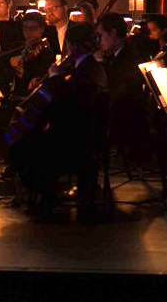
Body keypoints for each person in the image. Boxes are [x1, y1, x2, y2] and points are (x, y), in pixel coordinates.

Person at [8, 21, 107, 213]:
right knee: (25, 136)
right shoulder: (92, 66)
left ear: (72, 45)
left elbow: (67, 102)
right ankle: (42, 191)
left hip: (75, 139)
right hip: (87, 133)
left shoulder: (84, 69)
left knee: (18, 143)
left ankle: (44, 192)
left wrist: (54, 77)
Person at [95, 13, 150, 163]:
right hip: (117, 107)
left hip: (124, 114)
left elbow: (116, 89)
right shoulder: (116, 54)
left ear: (112, 33)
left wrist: (99, 62)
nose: (98, 41)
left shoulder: (130, 56)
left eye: (101, 35)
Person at [9, 12, 54, 97]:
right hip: (16, 94)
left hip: (32, 96)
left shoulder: (46, 51)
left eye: (33, 28)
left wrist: (23, 74)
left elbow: (40, 76)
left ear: (42, 29)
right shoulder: (19, 48)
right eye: (25, 29)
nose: (28, 32)